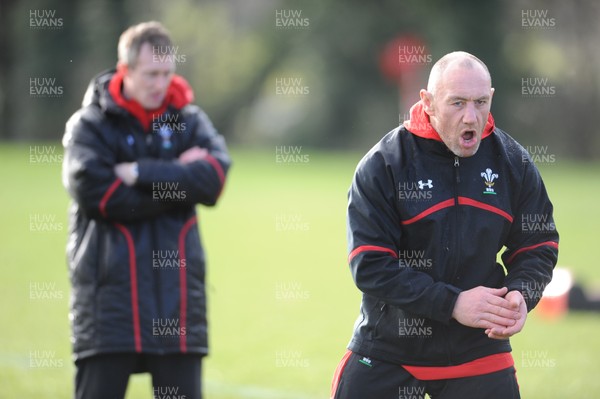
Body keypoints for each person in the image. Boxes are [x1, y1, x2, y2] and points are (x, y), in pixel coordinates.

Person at [331, 51, 559, 399]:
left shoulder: (513, 163)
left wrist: (520, 294)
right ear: (428, 101)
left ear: (491, 98)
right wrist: (453, 304)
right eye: (457, 103)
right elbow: (371, 265)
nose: (471, 116)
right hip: (390, 351)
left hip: (477, 352)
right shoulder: (385, 165)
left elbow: (537, 244)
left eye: (480, 102)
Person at [62, 21, 230, 399]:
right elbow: (99, 196)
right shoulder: (89, 125)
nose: (161, 84)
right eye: (151, 74)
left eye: (168, 73)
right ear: (126, 71)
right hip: (109, 309)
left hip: (177, 308)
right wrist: (180, 183)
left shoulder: (189, 119)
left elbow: (214, 179)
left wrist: (138, 172)